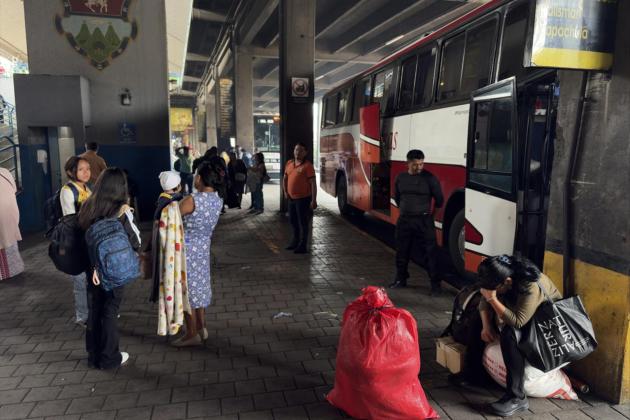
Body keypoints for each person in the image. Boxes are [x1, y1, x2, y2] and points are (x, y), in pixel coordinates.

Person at [450, 255, 562, 417]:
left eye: (494, 288)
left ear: (508, 281)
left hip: (548, 330)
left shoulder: (530, 285)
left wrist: (492, 298)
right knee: (477, 318)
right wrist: (486, 327)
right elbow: (484, 300)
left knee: (511, 334)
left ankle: (516, 397)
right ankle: (474, 374)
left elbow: (518, 322)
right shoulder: (501, 273)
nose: (490, 291)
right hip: (527, 319)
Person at [79, 168, 141, 369]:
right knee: (110, 310)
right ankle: (109, 358)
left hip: (92, 268)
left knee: (95, 309)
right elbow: (136, 241)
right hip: (114, 270)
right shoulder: (122, 210)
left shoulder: (87, 206)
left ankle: (93, 355)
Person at [173, 162, 223, 346]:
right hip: (202, 250)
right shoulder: (217, 200)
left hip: (186, 252)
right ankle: (202, 327)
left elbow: (171, 218)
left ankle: (191, 333)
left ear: (199, 178)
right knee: (199, 289)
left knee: (186, 291)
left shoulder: (192, 200)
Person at [389, 149, 443, 295]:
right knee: (401, 251)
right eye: (415, 164)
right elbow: (397, 198)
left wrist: (430, 217)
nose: (419, 167)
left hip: (424, 221)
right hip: (405, 220)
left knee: (430, 253)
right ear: (407, 163)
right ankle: (400, 279)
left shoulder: (430, 179)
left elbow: (439, 201)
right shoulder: (400, 178)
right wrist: (406, 211)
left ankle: (435, 285)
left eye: (421, 164)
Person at [61, 156, 92, 325]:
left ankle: (93, 311)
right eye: (81, 169)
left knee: (91, 279)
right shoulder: (68, 191)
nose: (86, 172)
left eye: (88, 168)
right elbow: (70, 220)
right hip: (75, 242)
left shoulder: (87, 188)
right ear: (70, 172)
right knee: (80, 281)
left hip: (88, 240)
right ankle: (82, 316)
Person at [149, 171, 184, 303]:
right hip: (171, 240)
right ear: (178, 186)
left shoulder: (161, 198)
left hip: (159, 238)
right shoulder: (177, 199)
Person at [283, 142, 317, 254]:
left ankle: (303, 245)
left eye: (301, 150)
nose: (298, 152)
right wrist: (285, 192)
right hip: (291, 199)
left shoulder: (308, 166)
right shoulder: (289, 163)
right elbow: (285, 178)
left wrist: (313, 200)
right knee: (293, 221)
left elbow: (313, 184)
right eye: (296, 149)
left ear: (305, 152)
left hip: (303, 199)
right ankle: (295, 241)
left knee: (303, 222)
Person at [0, 168, 24, 281]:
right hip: (11, 213)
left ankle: (5, 273)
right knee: (9, 241)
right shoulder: (5, 172)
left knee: (3, 242)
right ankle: (14, 270)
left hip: (2, 216)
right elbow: (14, 189)